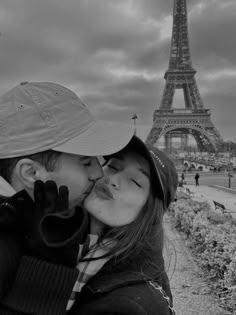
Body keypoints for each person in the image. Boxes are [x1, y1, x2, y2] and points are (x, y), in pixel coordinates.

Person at [0, 136, 178, 314]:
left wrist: (46, 270)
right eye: (113, 166)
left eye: (135, 181)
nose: (112, 179)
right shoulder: (69, 241)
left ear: (150, 212)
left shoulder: (127, 307)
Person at [0, 81, 134, 313]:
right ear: (32, 173)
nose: (98, 172)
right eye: (85, 161)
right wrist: (47, 269)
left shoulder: (34, 224)